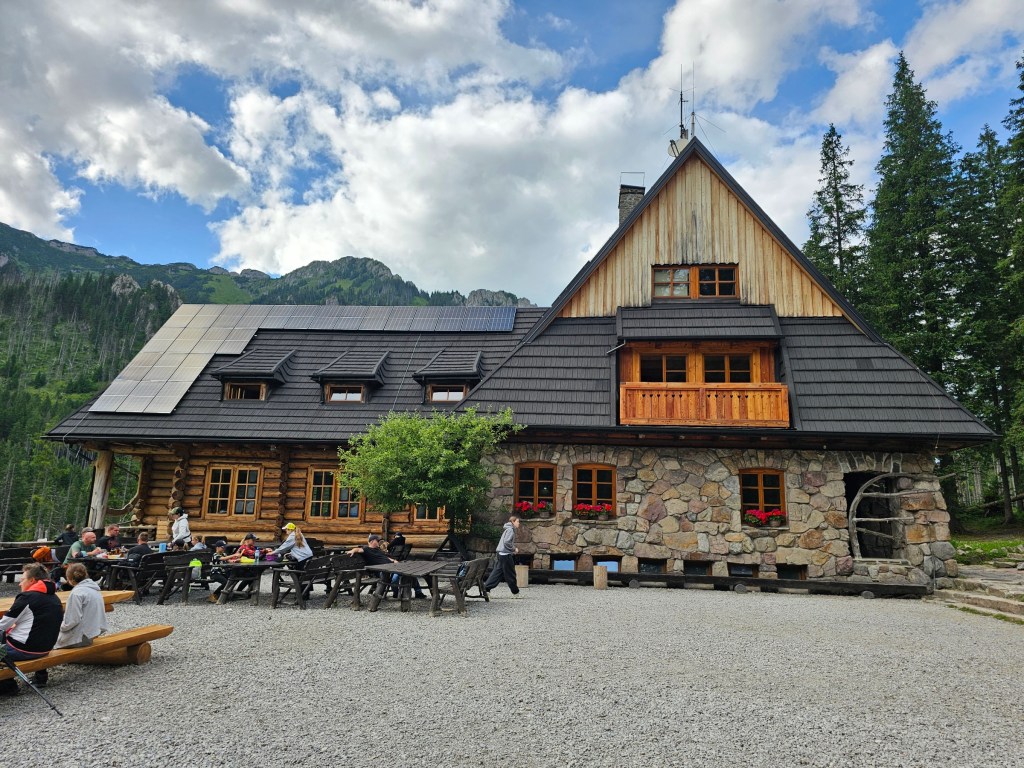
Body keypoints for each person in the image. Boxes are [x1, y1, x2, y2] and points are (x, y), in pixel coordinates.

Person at [0, 563, 62, 695]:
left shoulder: (27, 598)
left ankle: (7, 685)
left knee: (1, 649)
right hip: (45, 648)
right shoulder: (54, 596)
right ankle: (40, 677)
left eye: (22, 580)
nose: (19, 584)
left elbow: (2, 625)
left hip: (24, 649)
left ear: (32, 580)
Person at [348, 534, 425, 599]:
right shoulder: (367, 549)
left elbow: (385, 557)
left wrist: (393, 560)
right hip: (382, 571)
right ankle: (396, 593)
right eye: (377, 540)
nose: (379, 541)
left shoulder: (377, 550)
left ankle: (418, 593)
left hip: (390, 567)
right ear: (371, 541)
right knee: (395, 577)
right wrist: (352, 551)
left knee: (410, 573)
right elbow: (357, 549)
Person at [54, 563, 108, 649]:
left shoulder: (77, 593)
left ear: (69, 578)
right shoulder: (94, 589)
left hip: (79, 638)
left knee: (47, 638)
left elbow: (72, 620)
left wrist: (59, 627)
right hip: (92, 632)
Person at [483, 513, 522, 598]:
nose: (519, 523)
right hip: (506, 555)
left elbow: (506, 542)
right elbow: (507, 542)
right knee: (511, 574)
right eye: (518, 521)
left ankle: (486, 589)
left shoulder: (508, 529)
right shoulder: (510, 530)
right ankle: (515, 593)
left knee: (497, 573)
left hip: (501, 554)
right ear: (513, 522)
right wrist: (514, 549)